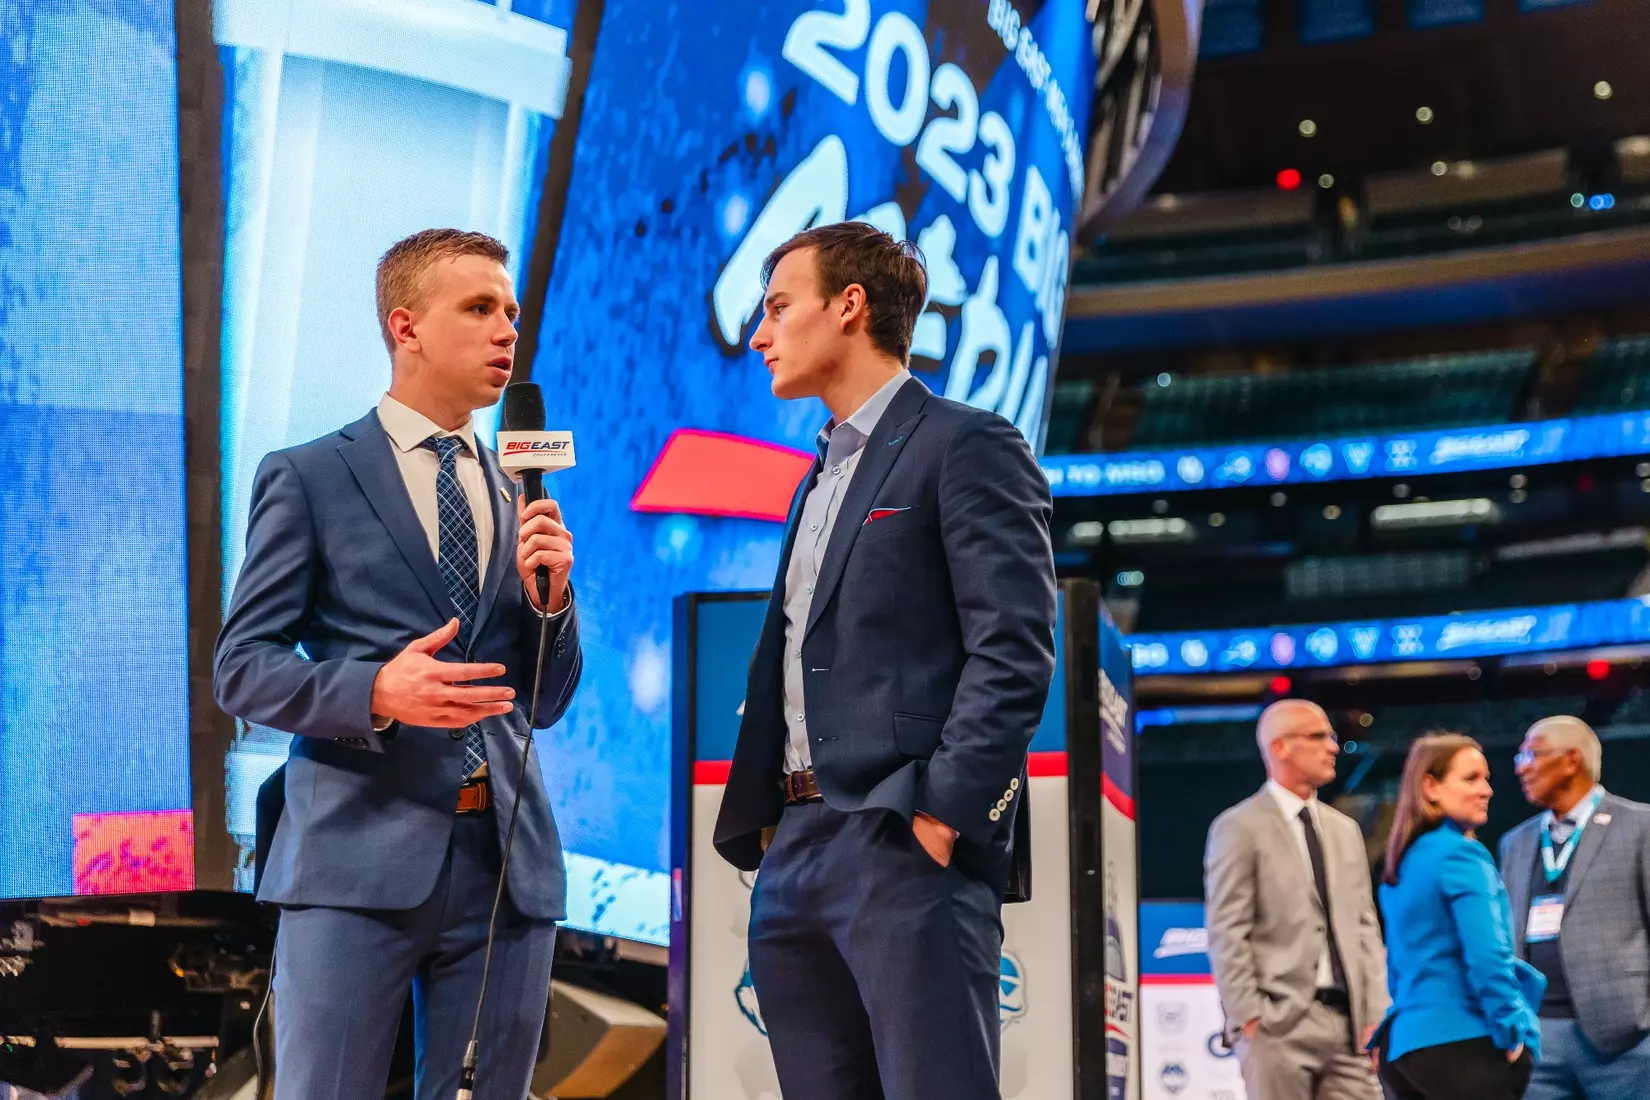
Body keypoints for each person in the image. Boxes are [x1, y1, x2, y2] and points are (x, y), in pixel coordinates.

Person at [214, 229, 582, 1100]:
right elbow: (243, 668)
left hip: (503, 864)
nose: (506, 332)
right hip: (354, 856)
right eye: (480, 309)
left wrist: (552, 604)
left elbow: (549, 699)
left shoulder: (516, 487)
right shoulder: (311, 476)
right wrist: (375, 689)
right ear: (405, 326)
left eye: (513, 313)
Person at [712, 221, 1057, 1100]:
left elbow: (1013, 649)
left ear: (850, 307)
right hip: (792, 850)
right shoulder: (816, 472)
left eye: (780, 308)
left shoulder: (967, 443)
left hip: (901, 842)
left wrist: (944, 816)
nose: (760, 333)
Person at [1204, 699, 1389, 1100]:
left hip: (1347, 1025)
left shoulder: (1345, 831)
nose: (1333, 746)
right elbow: (1226, 929)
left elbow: (1364, 926)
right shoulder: (1238, 826)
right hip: (1276, 1026)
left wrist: (1375, 1010)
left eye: (1331, 735)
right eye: (1319, 736)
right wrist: (1249, 1018)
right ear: (1280, 746)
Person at [1374, 733, 1542, 1100]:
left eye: (1486, 778)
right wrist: (1512, 1028)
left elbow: (1397, 965)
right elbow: (1488, 956)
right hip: (1463, 1042)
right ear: (1430, 787)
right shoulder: (1462, 855)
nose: (1487, 790)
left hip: (1403, 1049)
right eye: (1471, 778)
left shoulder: (1402, 861)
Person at [1501, 716, 1650, 1100]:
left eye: (1532, 754)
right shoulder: (1514, 842)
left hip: (1623, 1035)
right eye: (1520, 757)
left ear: (1571, 761)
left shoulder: (1640, 826)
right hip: (1537, 1032)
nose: (1522, 767)